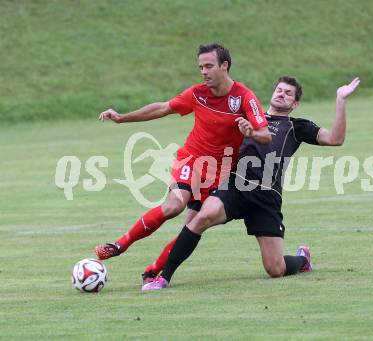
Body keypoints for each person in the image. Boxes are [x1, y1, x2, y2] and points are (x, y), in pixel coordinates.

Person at [142, 76, 361, 290]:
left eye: (288, 93)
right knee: (202, 217)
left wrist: (341, 100)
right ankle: (163, 278)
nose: (281, 94)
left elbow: (335, 139)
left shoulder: (296, 127)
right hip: (236, 185)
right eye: (279, 90)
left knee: (275, 269)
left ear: (295, 104)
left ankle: (303, 260)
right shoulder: (249, 116)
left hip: (266, 196)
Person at [95, 43, 271, 260]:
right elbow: (162, 108)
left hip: (219, 173)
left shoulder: (244, 97)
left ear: (224, 65)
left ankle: (154, 273)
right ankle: (119, 245)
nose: (204, 72)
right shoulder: (198, 94)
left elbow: (266, 135)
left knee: (192, 226)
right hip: (191, 160)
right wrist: (122, 118)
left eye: (209, 66)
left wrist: (251, 132)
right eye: (201, 67)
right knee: (174, 206)